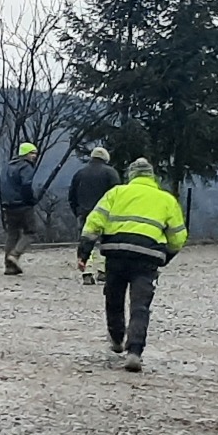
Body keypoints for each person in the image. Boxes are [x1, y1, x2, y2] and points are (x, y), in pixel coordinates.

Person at [76, 157, 187, 373]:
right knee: (140, 306)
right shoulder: (166, 200)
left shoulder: (116, 193)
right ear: (152, 177)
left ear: (131, 175)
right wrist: (166, 257)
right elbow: (178, 236)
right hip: (147, 258)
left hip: (116, 254)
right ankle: (134, 351)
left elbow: (93, 223)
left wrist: (84, 252)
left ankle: (117, 338)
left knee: (114, 298)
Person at [67, 146, 118, 283]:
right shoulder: (111, 173)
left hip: (84, 213)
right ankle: (102, 271)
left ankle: (87, 273)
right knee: (105, 242)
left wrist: (77, 211)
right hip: (106, 214)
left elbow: (72, 196)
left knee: (86, 242)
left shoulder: (80, 173)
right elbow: (117, 196)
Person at [0, 141, 41, 275]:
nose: (34, 156)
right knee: (30, 232)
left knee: (12, 234)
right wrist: (31, 200)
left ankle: (9, 266)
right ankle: (15, 255)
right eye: (32, 153)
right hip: (22, 205)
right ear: (26, 154)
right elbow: (26, 185)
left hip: (8, 205)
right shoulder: (26, 167)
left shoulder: (7, 167)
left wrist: (3, 201)